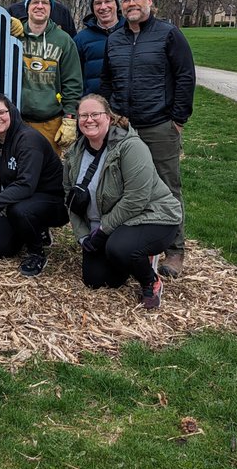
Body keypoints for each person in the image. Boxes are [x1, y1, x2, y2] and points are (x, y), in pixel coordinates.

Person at [99, 0, 195, 278]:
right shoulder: (114, 39)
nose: (131, 4)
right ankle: (130, 241)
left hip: (158, 125)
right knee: (123, 184)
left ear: (149, 1)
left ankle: (175, 250)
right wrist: (109, 113)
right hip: (124, 127)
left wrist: (177, 120)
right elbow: (106, 80)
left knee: (167, 185)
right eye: (125, 0)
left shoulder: (168, 34)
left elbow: (185, 77)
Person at [63, 94, 181, 310]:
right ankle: (127, 254)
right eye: (83, 115)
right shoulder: (75, 152)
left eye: (95, 114)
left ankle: (150, 281)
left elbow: (136, 198)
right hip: (111, 225)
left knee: (120, 248)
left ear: (108, 117)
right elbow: (68, 196)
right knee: (96, 280)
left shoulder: (130, 147)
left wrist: (102, 232)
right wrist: (82, 236)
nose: (89, 120)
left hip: (153, 215)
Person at [0, 94, 68, 277]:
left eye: (1, 112)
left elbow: (26, 185)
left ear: (11, 112)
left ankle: (37, 253)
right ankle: (32, 228)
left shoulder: (28, 140)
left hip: (53, 201)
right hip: (19, 200)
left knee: (19, 210)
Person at [18, 0, 83, 155]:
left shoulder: (64, 40)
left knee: (47, 172)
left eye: (45, 3)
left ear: (51, 8)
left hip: (50, 121)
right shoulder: (15, 35)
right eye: (35, 2)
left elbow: (73, 82)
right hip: (18, 120)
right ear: (28, 7)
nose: (40, 6)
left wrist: (70, 117)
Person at [73, 0, 122, 94]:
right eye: (98, 3)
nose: (103, 7)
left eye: (108, 1)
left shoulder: (130, 32)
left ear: (117, 4)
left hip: (125, 106)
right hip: (94, 106)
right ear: (93, 8)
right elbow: (73, 78)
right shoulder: (80, 39)